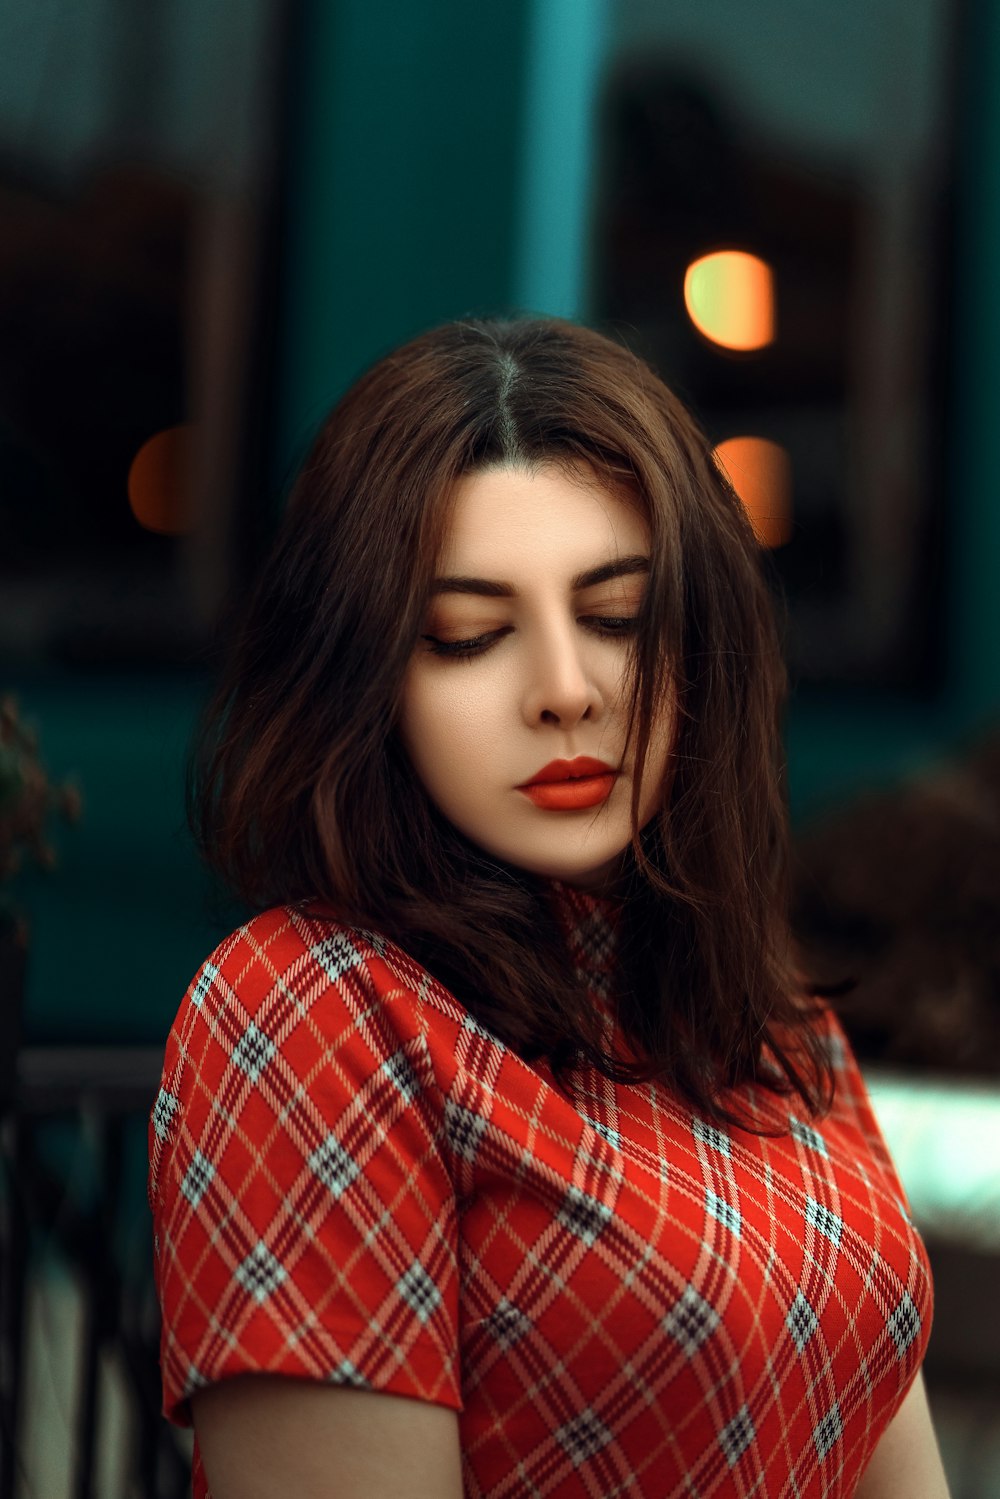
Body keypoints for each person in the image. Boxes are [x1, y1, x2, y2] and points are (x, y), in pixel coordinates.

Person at [148, 317, 949, 1498]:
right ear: (367, 678)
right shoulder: (311, 1010)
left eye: (618, 616)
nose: (566, 691)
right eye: (469, 636)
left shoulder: (767, 1016)